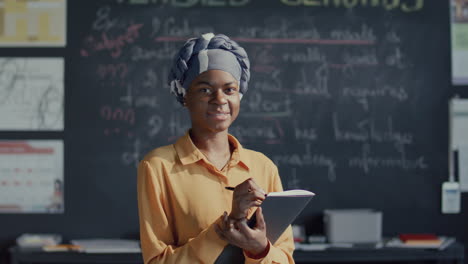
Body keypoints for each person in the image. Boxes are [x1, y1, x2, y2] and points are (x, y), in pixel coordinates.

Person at [137, 33, 295, 264]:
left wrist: (260, 248)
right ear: (184, 96)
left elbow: (285, 258)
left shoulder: (263, 166)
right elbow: (156, 261)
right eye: (205, 90)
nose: (219, 99)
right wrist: (227, 225)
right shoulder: (158, 166)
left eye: (229, 90)